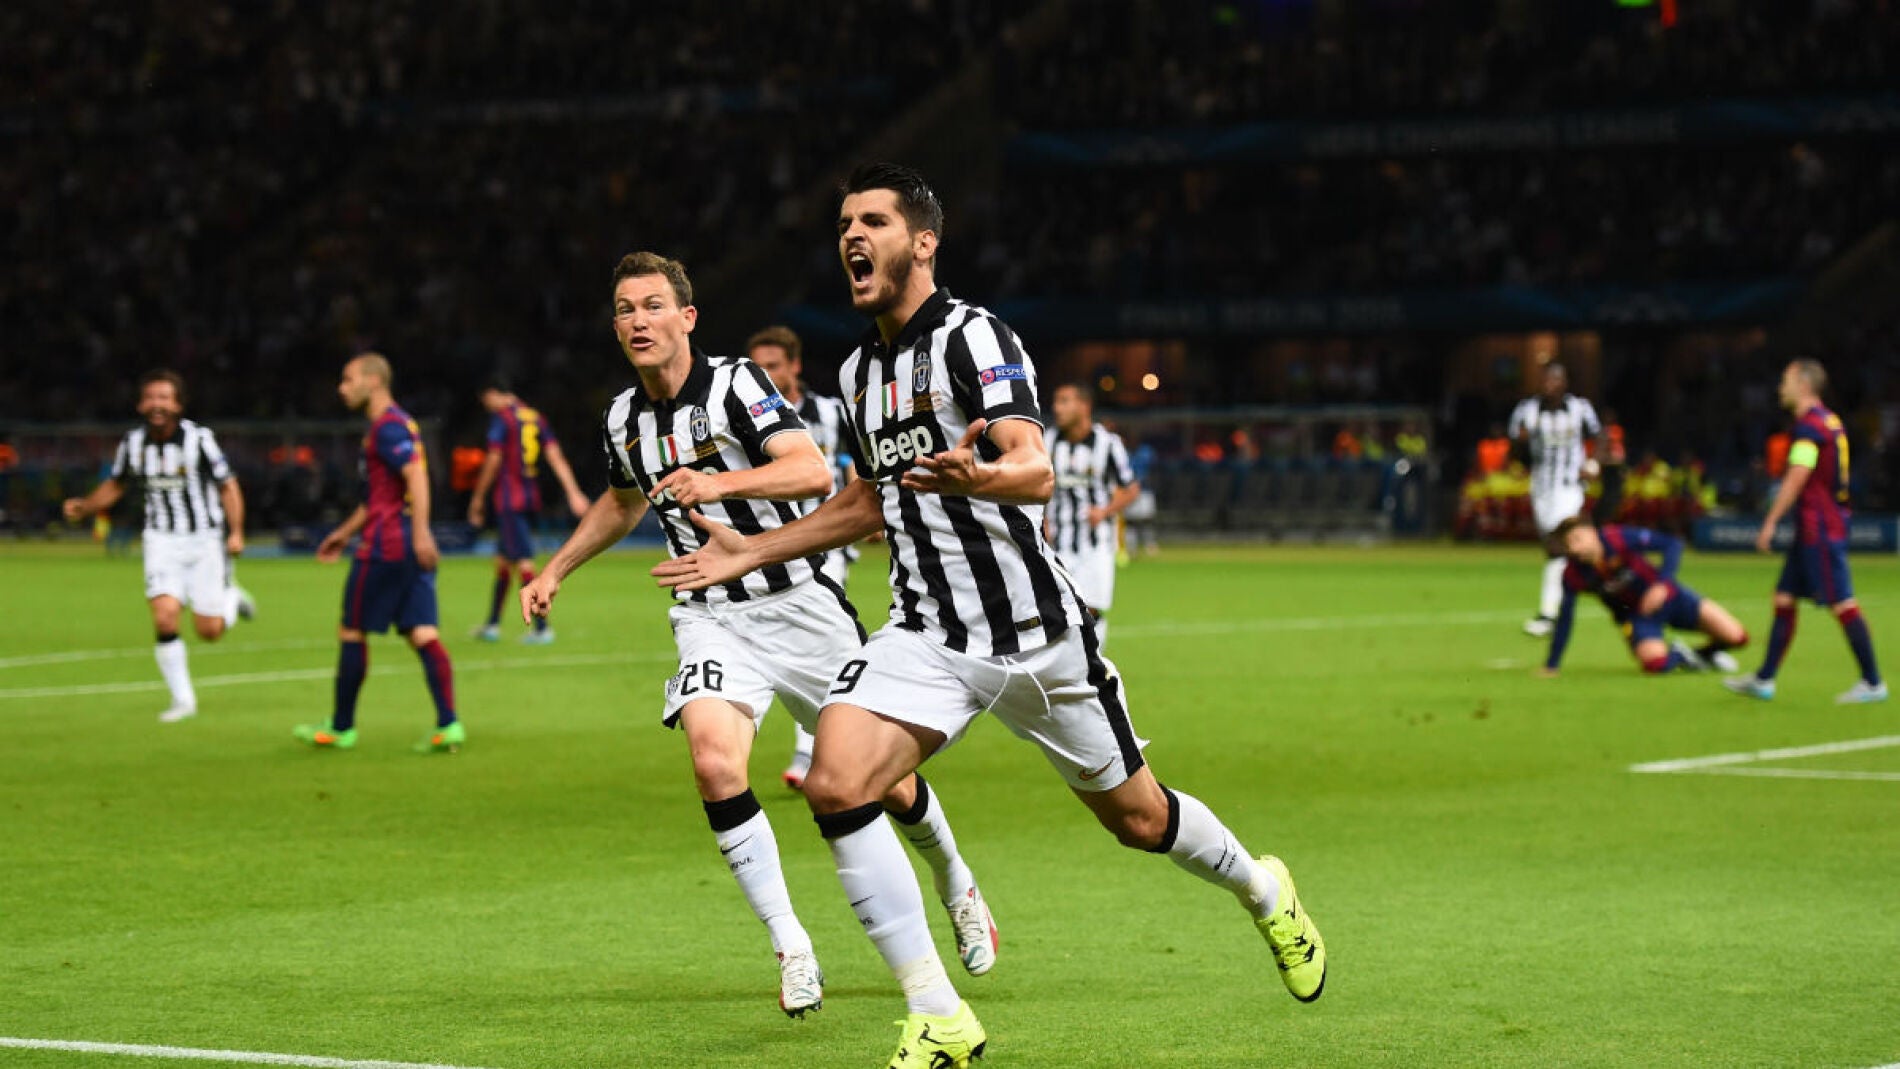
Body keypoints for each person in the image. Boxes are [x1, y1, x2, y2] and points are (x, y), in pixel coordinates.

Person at [652, 163, 1324, 1069]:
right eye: (846, 223)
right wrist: (754, 548)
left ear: (922, 241)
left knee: (1138, 817)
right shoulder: (857, 371)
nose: (854, 236)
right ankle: (938, 1012)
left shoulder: (975, 338)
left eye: (876, 221)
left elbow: (1034, 466)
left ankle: (1260, 886)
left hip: (1038, 635)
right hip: (928, 632)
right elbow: (868, 499)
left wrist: (985, 477)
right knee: (839, 779)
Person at [519, 252, 997, 1022]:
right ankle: (791, 943)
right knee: (714, 760)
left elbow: (811, 470)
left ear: (687, 317)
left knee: (885, 782)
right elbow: (620, 501)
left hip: (800, 604)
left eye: (651, 306)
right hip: (711, 615)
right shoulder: (621, 418)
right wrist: (558, 569)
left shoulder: (738, 383)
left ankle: (956, 880)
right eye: (623, 310)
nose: (636, 320)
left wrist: (718, 482)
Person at [62, 369, 255, 723]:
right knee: (165, 615)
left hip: (204, 540)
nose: (157, 404)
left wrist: (236, 531)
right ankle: (183, 701)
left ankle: (230, 600)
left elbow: (228, 486)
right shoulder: (133, 444)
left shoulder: (200, 440)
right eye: (151, 397)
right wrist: (86, 506)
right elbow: (117, 484)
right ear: (141, 404)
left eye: (165, 398)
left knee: (209, 631)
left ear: (178, 404)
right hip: (161, 539)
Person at [295, 354, 463, 752]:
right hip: (403, 539)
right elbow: (378, 498)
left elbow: (416, 478)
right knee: (421, 632)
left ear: (373, 381)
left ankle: (341, 727)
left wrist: (422, 533)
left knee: (352, 629)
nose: (342, 387)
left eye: (348, 379)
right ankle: (449, 724)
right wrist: (341, 533)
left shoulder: (387, 428)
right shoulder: (400, 423)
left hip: (387, 544)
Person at [1724, 359, 1887, 703]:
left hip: (1821, 528)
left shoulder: (1810, 426)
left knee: (1842, 603)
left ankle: (1873, 682)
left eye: (1785, 380)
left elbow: (1798, 474)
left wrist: (1769, 522)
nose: (1780, 388)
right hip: (1815, 528)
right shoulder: (1829, 421)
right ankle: (1765, 678)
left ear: (1802, 384)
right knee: (1783, 598)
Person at [745, 324, 860, 791]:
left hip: (827, 546)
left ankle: (812, 750)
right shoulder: (746, 416)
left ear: (794, 365)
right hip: (771, 546)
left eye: (773, 366)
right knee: (784, 646)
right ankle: (832, 740)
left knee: (812, 643)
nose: (765, 376)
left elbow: (855, 466)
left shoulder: (832, 413)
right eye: (757, 368)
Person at [1538, 517, 1747, 677]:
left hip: (1671, 597)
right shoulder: (1573, 575)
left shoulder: (1617, 538)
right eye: (1568, 545)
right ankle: (1683, 656)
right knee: (1655, 664)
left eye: (1577, 539)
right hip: (1637, 617)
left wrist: (1661, 584)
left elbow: (1672, 544)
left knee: (1738, 637)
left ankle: (1705, 655)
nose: (1575, 548)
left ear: (1592, 532)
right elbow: (1565, 618)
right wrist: (1552, 665)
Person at [466, 379, 591, 644]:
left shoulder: (503, 419)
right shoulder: (534, 417)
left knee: (523, 561)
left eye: (485, 399)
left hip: (509, 499)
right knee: (503, 562)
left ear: (493, 393)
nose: (486, 405)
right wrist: (573, 492)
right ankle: (492, 625)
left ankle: (542, 628)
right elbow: (555, 456)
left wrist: (477, 497)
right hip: (528, 497)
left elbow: (494, 458)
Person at [1509, 363, 1605, 637]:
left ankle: (1549, 614)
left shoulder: (1581, 409)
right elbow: (1514, 448)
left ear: (1565, 382)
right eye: (1547, 379)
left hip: (1569, 487)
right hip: (1541, 489)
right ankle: (1600, 580)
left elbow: (1600, 437)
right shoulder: (1526, 411)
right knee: (1559, 549)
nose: (1550, 384)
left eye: (1556, 379)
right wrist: (1522, 444)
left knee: (1559, 544)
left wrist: (1594, 463)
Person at [1044, 382, 1140, 642]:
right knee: (1056, 612)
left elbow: (1130, 489)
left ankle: (1093, 669)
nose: (1057, 408)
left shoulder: (1108, 444)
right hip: (1056, 544)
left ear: (1084, 406)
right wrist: (1042, 520)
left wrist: (1105, 510)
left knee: (1091, 609)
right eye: (1056, 401)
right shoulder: (1048, 441)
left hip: (1095, 543)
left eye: (1064, 401)